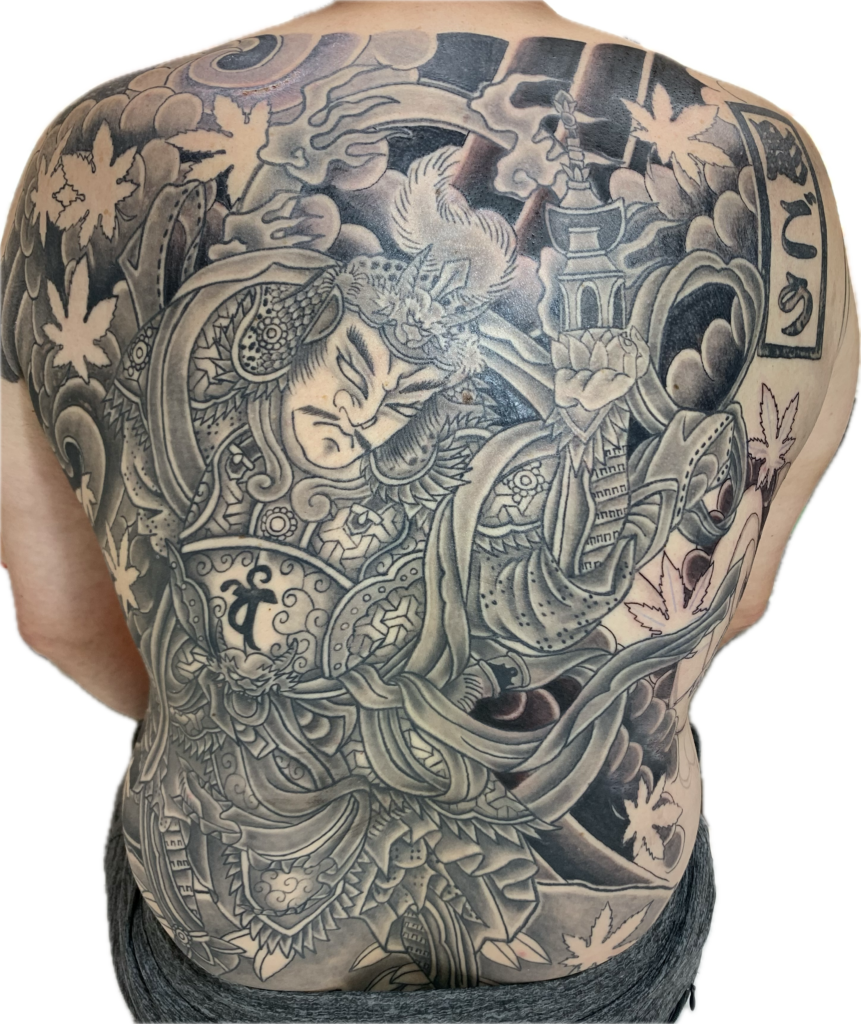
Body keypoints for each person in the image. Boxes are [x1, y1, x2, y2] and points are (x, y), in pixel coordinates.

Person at [0, 2, 857, 1021]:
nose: (363, 417)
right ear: (285, 344)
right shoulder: (768, 158)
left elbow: (57, 618)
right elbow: (734, 596)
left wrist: (595, 445)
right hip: (554, 959)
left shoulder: (93, 141)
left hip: (242, 943)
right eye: (353, 367)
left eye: (402, 404)